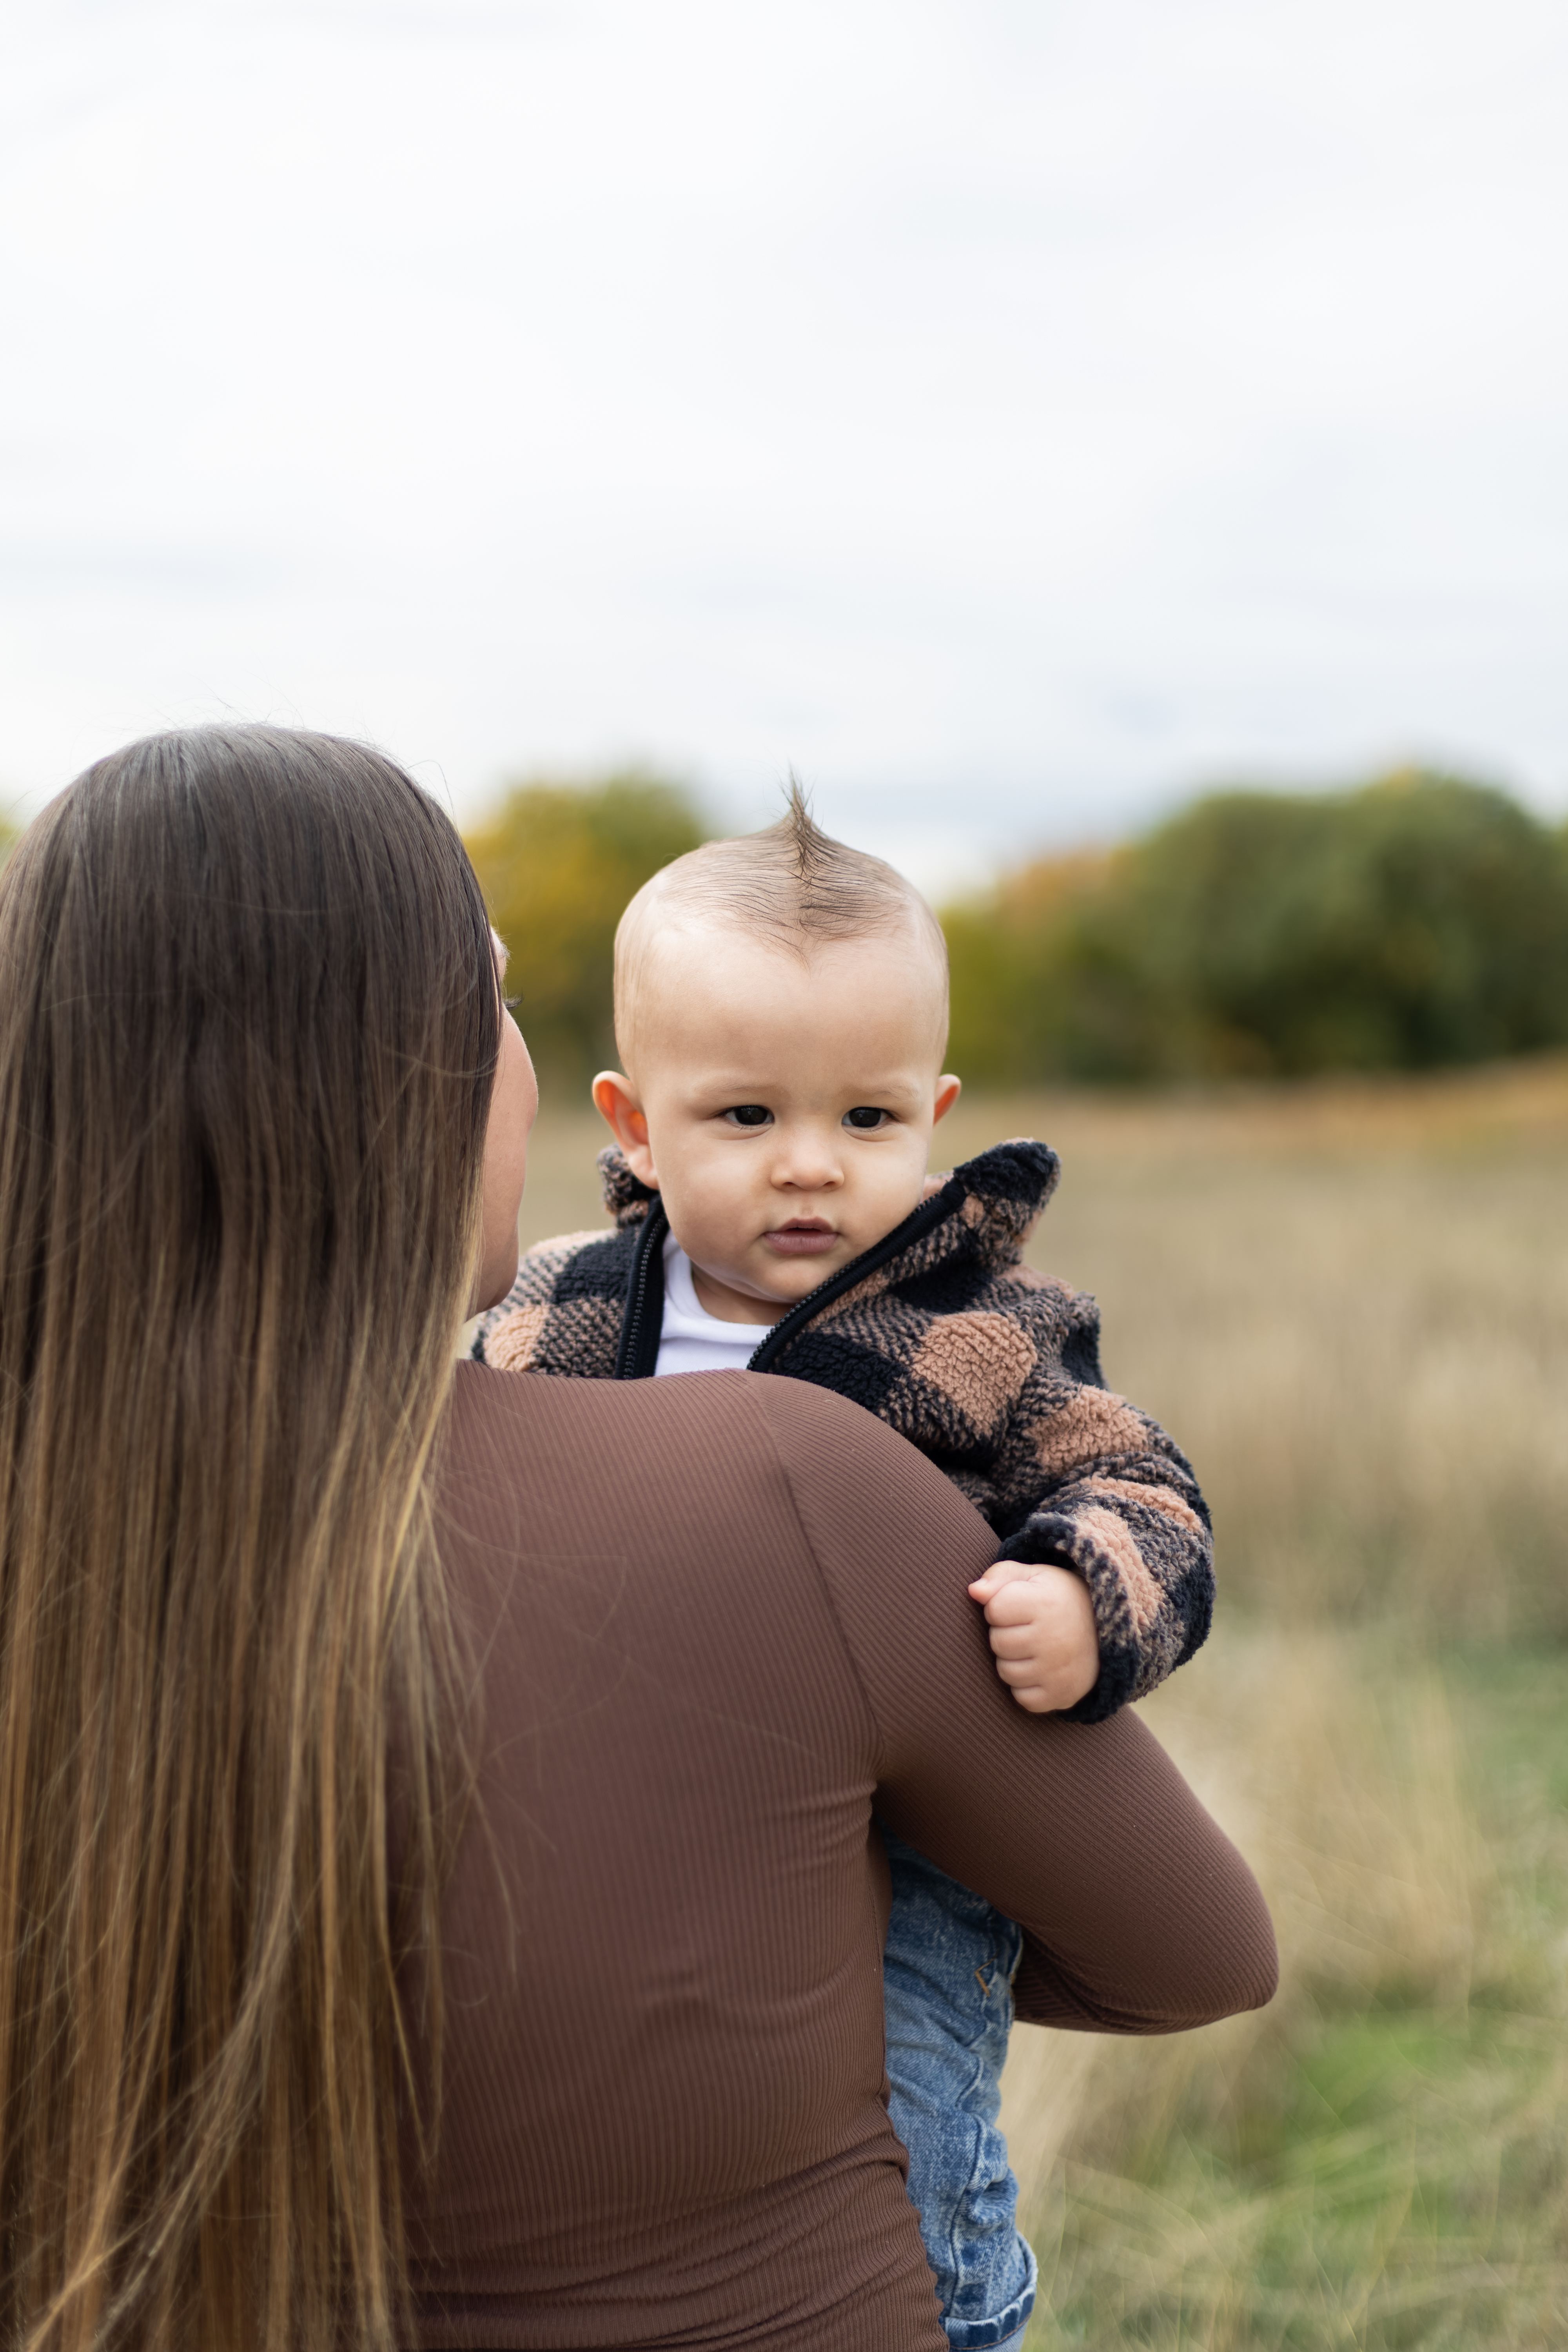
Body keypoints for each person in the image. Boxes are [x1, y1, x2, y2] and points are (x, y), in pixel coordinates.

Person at [0, 724, 1274, 2352]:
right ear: (412, 1074)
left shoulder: (90, 1561)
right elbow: (1197, 1952)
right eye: (499, 1002)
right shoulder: (791, 1486)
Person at [472, 790, 1215, 2352]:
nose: (811, 1169)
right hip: (615, 1805)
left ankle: (939, 2308)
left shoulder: (987, 1330)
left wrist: (1085, 1596)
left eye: (866, 1121)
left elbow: (1138, 1484)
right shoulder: (552, 1315)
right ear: (632, 1124)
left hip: (890, 1837)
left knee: (901, 2095)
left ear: (931, 1115)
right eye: (746, 1119)